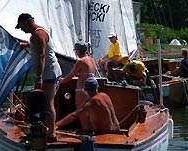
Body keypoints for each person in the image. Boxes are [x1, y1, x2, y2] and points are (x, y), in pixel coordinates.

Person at [15, 13, 62, 141]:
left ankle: (51, 134)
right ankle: (42, 129)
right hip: (46, 72)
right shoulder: (34, 35)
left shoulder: (38, 34)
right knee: (44, 103)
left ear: (25, 23)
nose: (22, 30)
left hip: (49, 72)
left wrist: (39, 77)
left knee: (48, 103)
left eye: (21, 27)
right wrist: (27, 45)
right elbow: (38, 47)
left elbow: (42, 55)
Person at [55, 77, 119, 132]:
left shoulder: (90, 103)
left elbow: (74, 115)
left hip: (106, 133)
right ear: (98, 87)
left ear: (85, 89)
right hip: (117, 129)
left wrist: (56, 125)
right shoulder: (105, 95)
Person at [59, 40, 97, 126]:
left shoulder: (80, 61)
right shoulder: (91, 60)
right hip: (92, 90)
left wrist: (61, 81)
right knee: (90, 115)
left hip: (81, 91)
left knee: (81, 114)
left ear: (78, 51)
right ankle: (92, 132)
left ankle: (85, 133)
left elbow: (69, 77)